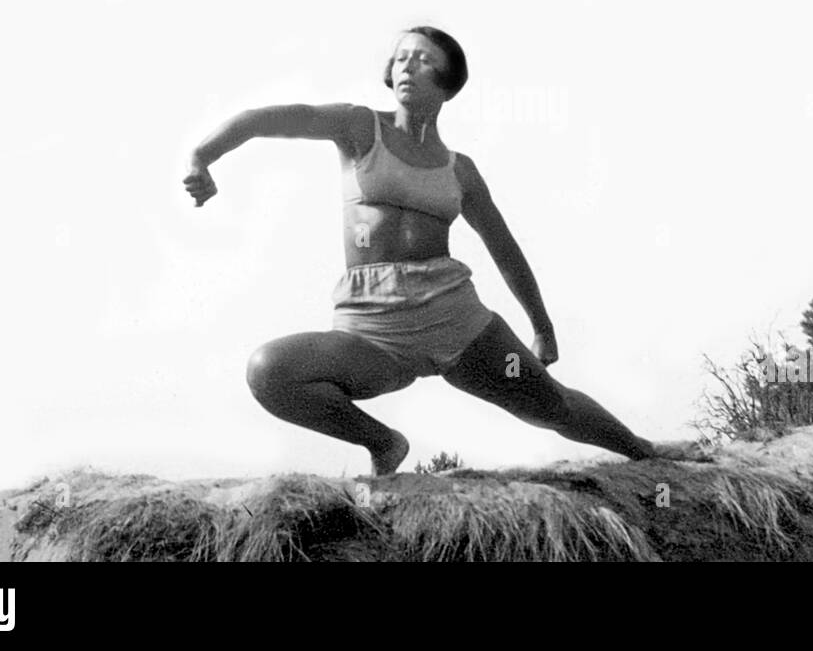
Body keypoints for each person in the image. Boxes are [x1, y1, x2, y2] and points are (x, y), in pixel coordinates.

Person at [183, 26, 659, 475]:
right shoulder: (357, 127)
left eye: (424, 59)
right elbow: (267, 120)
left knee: (551, 404)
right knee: (271, 372)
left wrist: (543, 328)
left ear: (448, 81)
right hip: (373, 330)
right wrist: (202, 158)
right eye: (401, 57)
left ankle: (649, 457)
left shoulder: (461, 170)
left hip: (458, 321)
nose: (408, 66)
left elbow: (505, 249)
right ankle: (383, 443)